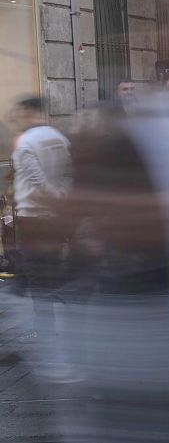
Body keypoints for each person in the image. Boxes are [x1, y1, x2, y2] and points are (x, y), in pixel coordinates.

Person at [8, 97, 72, 342]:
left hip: (33, 218)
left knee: (37, 275)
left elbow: (37, 180)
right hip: (55, 216)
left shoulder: (26, 142)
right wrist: (62, 198)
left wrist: (54, 198)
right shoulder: (59, 137)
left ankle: (43, 327)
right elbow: (69, 173)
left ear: (28, 111)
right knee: (51, 269)